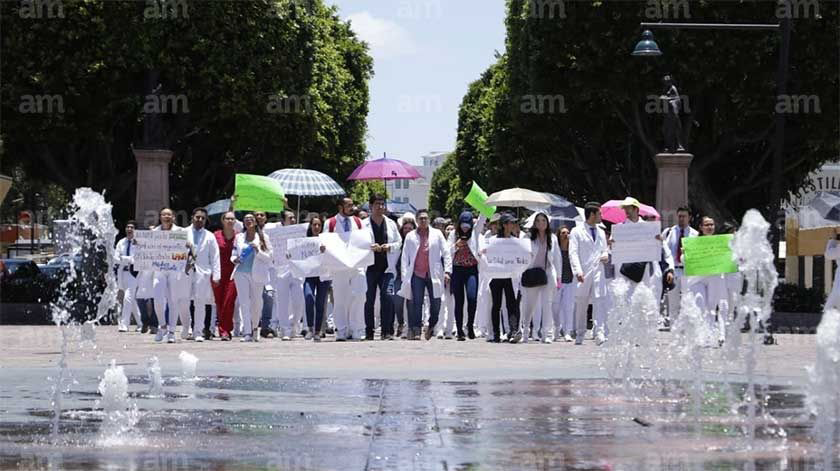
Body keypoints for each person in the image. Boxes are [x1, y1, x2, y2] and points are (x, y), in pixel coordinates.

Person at [399, 209, 452, 340]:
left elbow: (446, 253)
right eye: (421, 218)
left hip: (434, 273)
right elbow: (405, 257)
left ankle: (431, 325)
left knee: (436, 303)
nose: (423, 221)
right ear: (416, 221)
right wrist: (405, 276)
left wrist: (447, 272)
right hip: (417, 274)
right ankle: (416, 330)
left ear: (429, 220)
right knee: (417, 302)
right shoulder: (411, 236)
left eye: (425, 218)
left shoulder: (437, 234)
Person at [614, 197, 675, 312]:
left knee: (648, 306)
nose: (626, 211)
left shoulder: (650, 228)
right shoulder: (619, 229)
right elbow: (613, 251)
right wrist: (612, 244)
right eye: (624, 208)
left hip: (648, 273)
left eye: (629, 208)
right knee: (628, 306)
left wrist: (670, 269)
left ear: (636, 209)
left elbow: (666, 251)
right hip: (626, 272)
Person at [325, 197, 366, 341]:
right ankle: (342, 329)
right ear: (340, 207)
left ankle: (357, 328)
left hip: (357, 265)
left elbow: (365, 240)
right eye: (348, 205)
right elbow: (324, 241)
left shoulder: (359, 222)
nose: (352, 208)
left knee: (360, 295)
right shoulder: (330, 223)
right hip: (339, 266)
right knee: (341, 299)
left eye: (352, 205)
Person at [519, 212, 563, 344]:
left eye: (543, 220)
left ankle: (546, 334)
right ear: (534, 223)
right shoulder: (528, 237)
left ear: (547, 223)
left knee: (547, 304)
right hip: (532, 273)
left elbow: (557, 259)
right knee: (529, 305)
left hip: (548, 273)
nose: (541, 223)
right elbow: (522, 256)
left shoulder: (553, 238)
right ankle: (525, 332)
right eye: (538, 221)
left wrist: (559, 277)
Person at [569, 203, 609, 346]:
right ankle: (580, 333)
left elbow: (604, 249)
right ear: (592, 214)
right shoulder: (576, 231)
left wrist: (605, 255)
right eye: (599, 213)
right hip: (584, 271)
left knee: (599, 300)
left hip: (598, 270)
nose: (601, 216)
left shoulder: (601, 232)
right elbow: (572, 253)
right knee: (581, 302)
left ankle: (599, 332)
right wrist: (578, 271)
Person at [683, 216, 727, 345]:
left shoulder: (721, 242)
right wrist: (684, 254)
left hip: (714, 277)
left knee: (711, 307)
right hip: (697, 278)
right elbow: (684, 260)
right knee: (699, 302)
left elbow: (728, 259)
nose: (709, 227)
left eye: (712, 225)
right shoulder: (693, 242)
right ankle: (700, 334)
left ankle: (710, 335)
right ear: (701, 227)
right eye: (707, 225)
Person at [364, 194, 402, 340]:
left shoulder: (391, 224)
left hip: (388, 269)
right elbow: (358, 243)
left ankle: (387, 331)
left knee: (388, 297)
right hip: (370, 268)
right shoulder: (363, 224)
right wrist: (369, 247)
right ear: (371, 206)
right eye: (377, 204)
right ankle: (369, 331)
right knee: (369, 300)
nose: (380, 207)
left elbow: (399, 242)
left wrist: (389, 247)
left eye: (382, 204)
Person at [480, 213, 523, 343]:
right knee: (496, 305)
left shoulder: (515, 241)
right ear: (504, 225)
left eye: (514, 222)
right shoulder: (493, 240)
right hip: (496, 275)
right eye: (511, 223)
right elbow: (485, 252)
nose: (513, 225)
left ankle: (513, 330)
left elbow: (521, 255)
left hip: (510, 276)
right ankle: (496, 334)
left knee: (512, 304)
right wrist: (483, 252)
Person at [151, 208, 191, 343]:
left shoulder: (180, 232)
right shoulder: (154, 232)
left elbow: (189, 247)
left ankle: (172, 331)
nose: (166, 216)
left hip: (175, 269)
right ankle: (162, 325)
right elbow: (145, 248)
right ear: (160, 217)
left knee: (173, 299)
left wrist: (187, 245)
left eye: (169, 214)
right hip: (159, 269)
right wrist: (138, 243)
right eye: (164, 214)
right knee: (157, 298)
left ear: (173, 217)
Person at [231, 214, 273, 342]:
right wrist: (234, 259)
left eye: (251, 219)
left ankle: (255, 328)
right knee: (244, 302)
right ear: (243, 223)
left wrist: (258, 251)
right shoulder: (239, 237)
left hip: (257, 274)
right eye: (246, 219)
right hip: (240, 273)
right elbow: (233, 254)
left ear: (255, 222)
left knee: (257, 303)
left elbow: (269, 257)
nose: (249, 221)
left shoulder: (263, 237)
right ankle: (247, 333)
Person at [448, 211, 485, 341]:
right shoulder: (453, 234)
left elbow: (482, 219)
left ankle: (470, 325)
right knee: (459, 301)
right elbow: (447, 252)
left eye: (467, 225)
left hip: (471, 270)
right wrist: (456, 246)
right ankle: (459, 330)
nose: (465, 228)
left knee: (472, 298)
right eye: (463, 225)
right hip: (457, 270)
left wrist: (485, 205)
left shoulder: (474, 232)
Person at [186, 207, 221, 342]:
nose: (200, 219)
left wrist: (216, 275)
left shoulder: (210, 236)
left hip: (203, 272)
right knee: (184, 301)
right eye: (197, 217)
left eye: (202, 218)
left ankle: (198, 331)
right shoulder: (183, 233)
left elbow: (215, 257)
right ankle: (187, 327)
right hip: (185, 271)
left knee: (200, 302)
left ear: (206, 220)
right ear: (192, 218)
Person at [662, 206, 698, 326]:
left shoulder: (695, 234)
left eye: (684, 216)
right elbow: (665, 252)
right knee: (673, 303)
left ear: (690, 218)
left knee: (689, 302)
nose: (681, 219)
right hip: (673, 271)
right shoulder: (669, 232)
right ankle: (674, 331)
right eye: (680, 216)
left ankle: (687, 331)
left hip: (689, 272)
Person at [275, 210, 306, 340]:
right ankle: (284, 329)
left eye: (294, 217)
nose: (293, 220)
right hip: (282, 270)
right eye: (290, 218)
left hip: (297, 271)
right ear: (283, 220)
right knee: (282, 302)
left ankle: (294, 325)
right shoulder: (276, 234)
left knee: (299, 301)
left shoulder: (300, 232)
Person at [301, 215, 331, 342]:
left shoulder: (327, 240)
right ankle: (310, 328)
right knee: (309, 297)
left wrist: (326, 250)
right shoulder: (304, 240)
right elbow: (297, 255)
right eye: (314, 225)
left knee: (320, 302)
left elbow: (334, 254)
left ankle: (318, 330)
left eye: (319, 225)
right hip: (310, 274)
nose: (317, 227)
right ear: (311, 226)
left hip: (323, 275)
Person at [213, 211, 239, 341]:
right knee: (219, 302)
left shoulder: (239, 237)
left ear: (235, 221)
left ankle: (225, 329)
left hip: (234, 274)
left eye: (232, 219)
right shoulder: (215, 235)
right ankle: (224, 329)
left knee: (229, 301)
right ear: (223, 221)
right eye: (227, 218)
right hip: (218, 273)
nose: (229, 221)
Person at [114, 220, 142, 332]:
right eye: (128, 227)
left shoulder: (139, 243)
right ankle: (141, 323)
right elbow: (116, 258)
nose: (129, 229)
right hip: (122, 273)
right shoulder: (121, 242)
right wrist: (127, 259)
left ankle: (124, 324)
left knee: (128, 297)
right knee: (131, 299)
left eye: (132, 227)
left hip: (134, 273)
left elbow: (137, 259)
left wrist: (124, 259)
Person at [392, 214, 416, 338]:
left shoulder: (416, 242)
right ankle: (400, 322)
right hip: (398, 276)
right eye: (405, 228)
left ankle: (411, 327)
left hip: (413, 276)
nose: (407, 231)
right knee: (398, 302)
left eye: (410, 229)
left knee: (411, 303)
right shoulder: (398, 242)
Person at [551, 225, 576, 342]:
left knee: (568, 307)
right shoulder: (556, 249)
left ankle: (567, 332)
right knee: (555, 307)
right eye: (563, 233)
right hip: (558, 281)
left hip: (570, 281)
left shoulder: (573, 249)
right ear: (559, 235)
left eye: (568, 233)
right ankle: (556, 329)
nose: (566, 235)